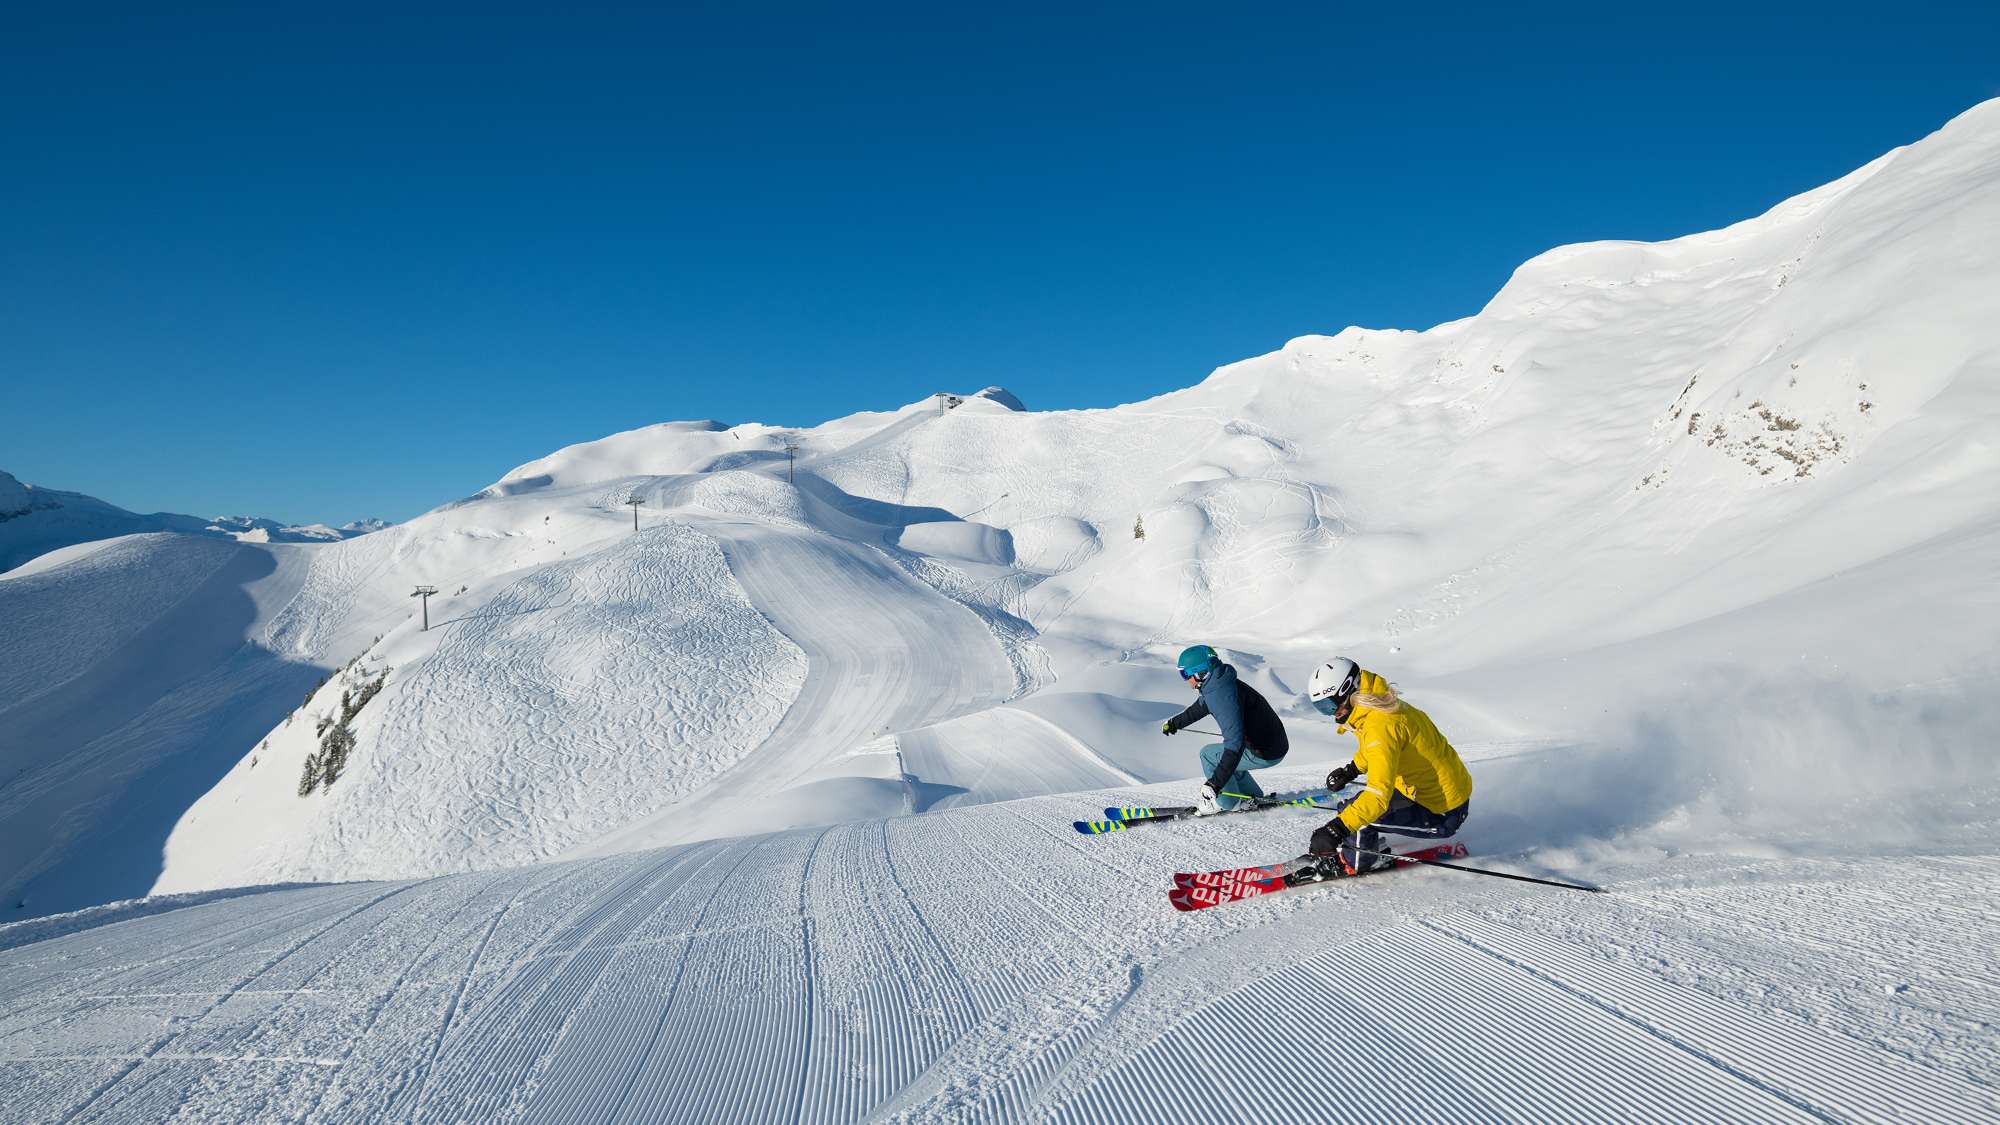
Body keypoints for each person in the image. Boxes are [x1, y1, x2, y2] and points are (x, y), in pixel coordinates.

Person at [1303, 658, 1472, 876]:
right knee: (1350, 809)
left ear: (1347, 691)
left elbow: (1378, 794)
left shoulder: (1381, 725)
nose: (1330, 713)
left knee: (1360, 820)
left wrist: (1335, 830)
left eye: (1329, 706)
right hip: (1431, 792)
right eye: (1321, 708)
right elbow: (1378, 748)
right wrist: (1351, 770)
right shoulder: (1380, 705)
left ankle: (1355, 863)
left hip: (1443, 812)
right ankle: (1359, 847)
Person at [1161, 645, 1289, 812]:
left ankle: (1227, 803)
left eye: (1185, 674)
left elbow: (1234, 743)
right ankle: (1251, 795)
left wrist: (1215, 783)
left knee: (1208, 755)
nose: (1185, 680)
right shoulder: (1219, 683)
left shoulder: (1222, 696)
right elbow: (1201, 706)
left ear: (1200, 673)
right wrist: (1175, 723)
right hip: (1273, 744)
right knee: (1223, 756)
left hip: (1264, 752)